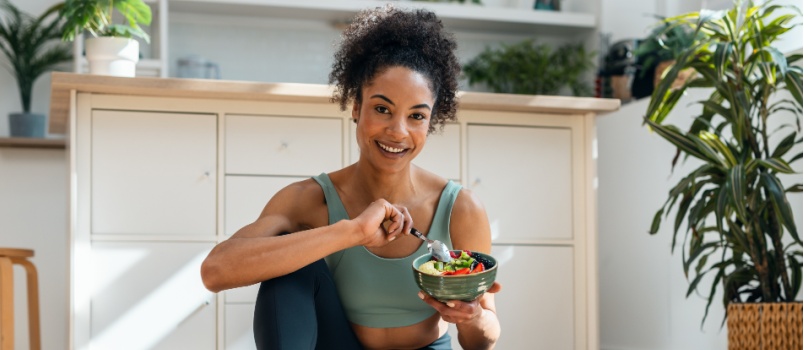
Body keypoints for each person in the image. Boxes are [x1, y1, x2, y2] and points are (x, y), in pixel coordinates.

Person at [200, 5, 501, 350]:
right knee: (292, 263)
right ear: (356, 106)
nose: (398, 131)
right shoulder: (307, 200)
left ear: (429, 122)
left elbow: (482, 343)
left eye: (416, 116)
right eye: (382, 109)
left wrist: (474, 316)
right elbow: (215, 271)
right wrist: (351, 231)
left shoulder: (460, 208)